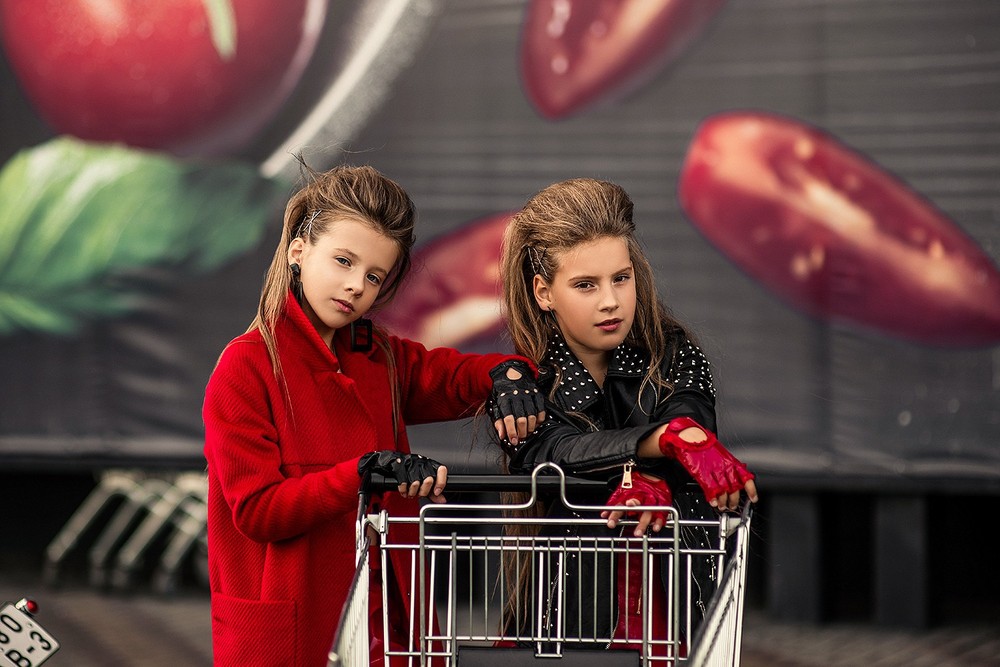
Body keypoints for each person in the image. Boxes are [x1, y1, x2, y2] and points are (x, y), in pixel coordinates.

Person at [202, 163, 544, 667]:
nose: (356, 286)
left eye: (373, 276)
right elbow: (258, 512)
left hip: (386, 625)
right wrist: (360, 475)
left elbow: (449, 377)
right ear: (298, 250)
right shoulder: (247, 365)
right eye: (343, 260)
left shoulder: (377, 355)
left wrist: (507, 375)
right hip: (294, 634)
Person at [492, 177, 758, 656]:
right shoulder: (520, 384)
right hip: (570, 613)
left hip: (678, 602)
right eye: (585, 285)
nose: (611, 300)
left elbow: (692, 416)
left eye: (621, 277)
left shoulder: (674, 353)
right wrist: (659, 446)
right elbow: (552, 454)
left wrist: (664, 459)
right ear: (544, 292)